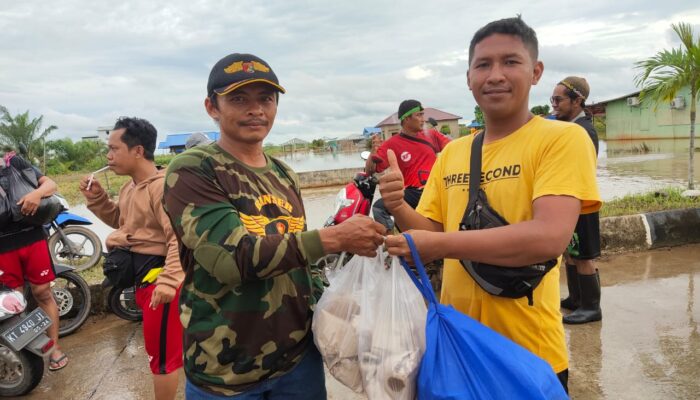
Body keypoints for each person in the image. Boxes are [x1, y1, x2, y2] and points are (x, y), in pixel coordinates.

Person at [381, 16, 601, 392]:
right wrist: (399, 205)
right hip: (459, 347)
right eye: (483, 65)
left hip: (528, 352)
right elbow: (431, 229)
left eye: (510, 62)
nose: (495, 75)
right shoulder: (453, 153)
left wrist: (440, 245)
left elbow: (548, 238)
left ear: (535, 71)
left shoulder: (562, 139)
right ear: (469, 78)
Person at [162, 52, 386, 399]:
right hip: (225, 371)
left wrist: (334, 303)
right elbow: (230, 259)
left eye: (266, 99)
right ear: (211, 107)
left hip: (298, 360)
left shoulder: (284, 174)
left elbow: (302, 261)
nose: (256, 109)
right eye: (239, 99)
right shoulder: (193, 169)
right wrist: (335, 238)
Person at [79, 117, 184, 400]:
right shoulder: (130, 187)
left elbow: (179, 238)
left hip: (160, 282)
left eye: (114, 149)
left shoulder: (162, 188)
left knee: (162, 360)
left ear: (137, 151)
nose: (108, 156)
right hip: (143, 281)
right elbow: (124, 222)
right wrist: (98, 199)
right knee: (163, 352)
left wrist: (168, 282)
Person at [0, 149, 68, 371]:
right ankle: (28, 358)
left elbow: (50, 184)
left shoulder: (14, 163)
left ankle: (54, 348)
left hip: (32, 238)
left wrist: (37, 194)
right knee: (14, 302)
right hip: (2, 248)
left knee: (43, 293)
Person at [551, 76, 602, 324]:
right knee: (571, 251)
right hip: (570, 201)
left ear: (577, 101)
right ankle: (576, 298)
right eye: (552, 100)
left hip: (583, 201)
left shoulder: (583, 130)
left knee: (584, 256)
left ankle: (592, 307)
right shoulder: (571, 127)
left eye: (558, 100)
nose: (554, 105)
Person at [365, 100, 451, 232]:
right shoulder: (392, 144)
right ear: (406, 119)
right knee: (380, 207)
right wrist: (373, 152)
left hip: (434, 189)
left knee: (379, 207)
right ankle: (390, 238)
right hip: (413, 192)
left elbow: (453, 149)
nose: (423, 119)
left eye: (423, 115)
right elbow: (370, 170)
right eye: (419, 115)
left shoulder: (431, 135)